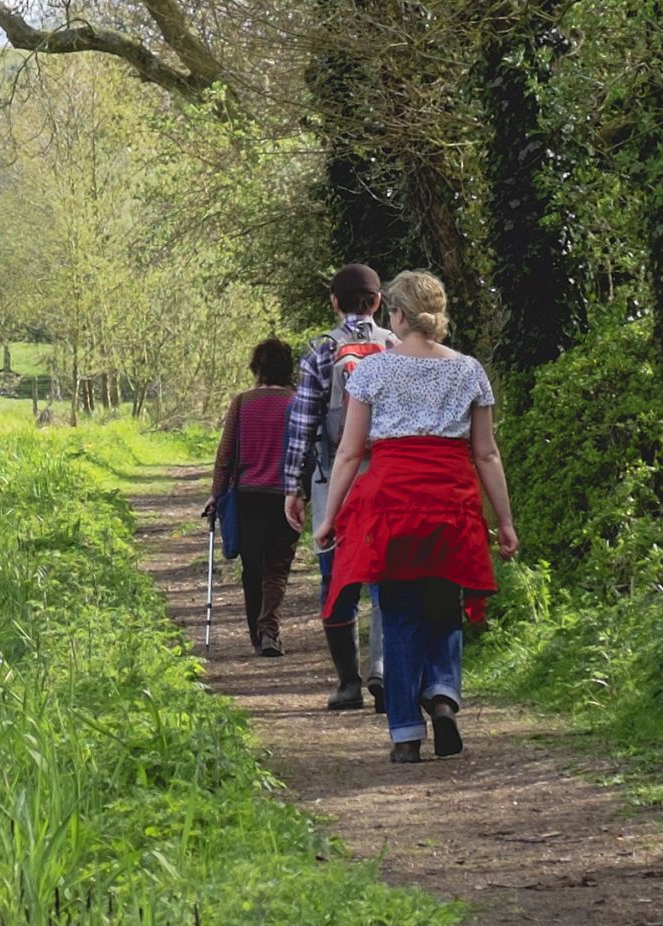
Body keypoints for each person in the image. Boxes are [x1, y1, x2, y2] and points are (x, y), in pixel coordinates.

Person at [316, 269, 519, 764]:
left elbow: (348, 453)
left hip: (392, 506)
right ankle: (443, 696)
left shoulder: (373, 372)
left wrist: (329, 518)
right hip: (450, 502)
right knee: (443, 603)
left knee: (400, 611)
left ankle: (406, 733)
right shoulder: (469, 371)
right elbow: (487, 455)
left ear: (398, 315)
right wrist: (505, 521)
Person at [279, 265, 396, 709]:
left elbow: (303, 426)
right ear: (379, 301)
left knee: (336, 580)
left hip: (334, 482)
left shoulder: (321, 352)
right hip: (387, 481)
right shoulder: (396, 348)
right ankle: (383, 671)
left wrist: (294, 487)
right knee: (386, 578)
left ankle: (348, 683)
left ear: (334, 302)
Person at [204, 338, 301, 653]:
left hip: (247, 497)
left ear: (256, 368)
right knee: (277, 566)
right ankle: (269, 630)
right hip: (286, 495)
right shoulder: (297, 402)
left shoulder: (242, 402)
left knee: (254, 569)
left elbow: (225, 455)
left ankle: (258, 636)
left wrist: (215, 495)